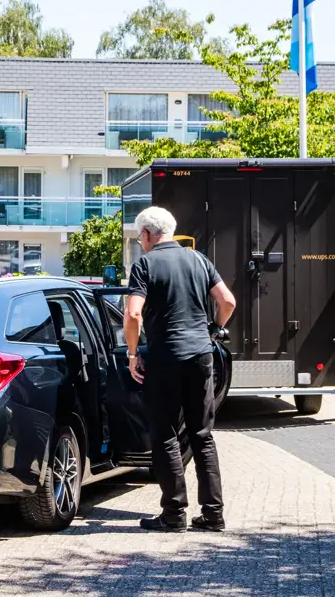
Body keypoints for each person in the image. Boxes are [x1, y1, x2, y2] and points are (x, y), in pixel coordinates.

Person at [123, 206, 236, 533]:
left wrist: (133, 354)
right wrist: (214, 329)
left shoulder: (145, 265)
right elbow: (227, 301)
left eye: (139, 237)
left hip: (165, 359)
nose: (140, 242)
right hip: (201, 356)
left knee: (165, 434)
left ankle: (174, 514)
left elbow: (133, 314)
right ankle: (213, 514)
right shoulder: (199, 260)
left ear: (147, 234)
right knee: (202, 435)